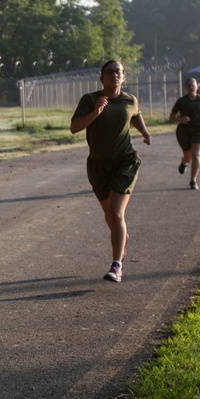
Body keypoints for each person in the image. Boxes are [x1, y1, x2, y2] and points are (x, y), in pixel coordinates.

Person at [71, 60, 152, 283]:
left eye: (119, 72)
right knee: (109, 215)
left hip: (124, 161)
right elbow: (74, 127)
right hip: (98, 164)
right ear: (102, 77)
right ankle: (122, 237)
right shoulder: (90, 99)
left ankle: (116, 265)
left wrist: (144, 133)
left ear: (124, 77)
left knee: (116, 214)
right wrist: (96, 111)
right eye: (110, 72)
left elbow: (135, 114)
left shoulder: (129, 100)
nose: (115, 75)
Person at [168, 77, 200, 191]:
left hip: (199, 130)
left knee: (196, 154)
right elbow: (172, 117)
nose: (190, 87)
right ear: (185, 88)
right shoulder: (182, 101)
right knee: (188, 157)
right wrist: (181, 119)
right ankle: (184, 163)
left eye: (192, 84)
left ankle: (193, 180)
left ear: (198, 85)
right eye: (188, 85)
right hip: (185, 131)